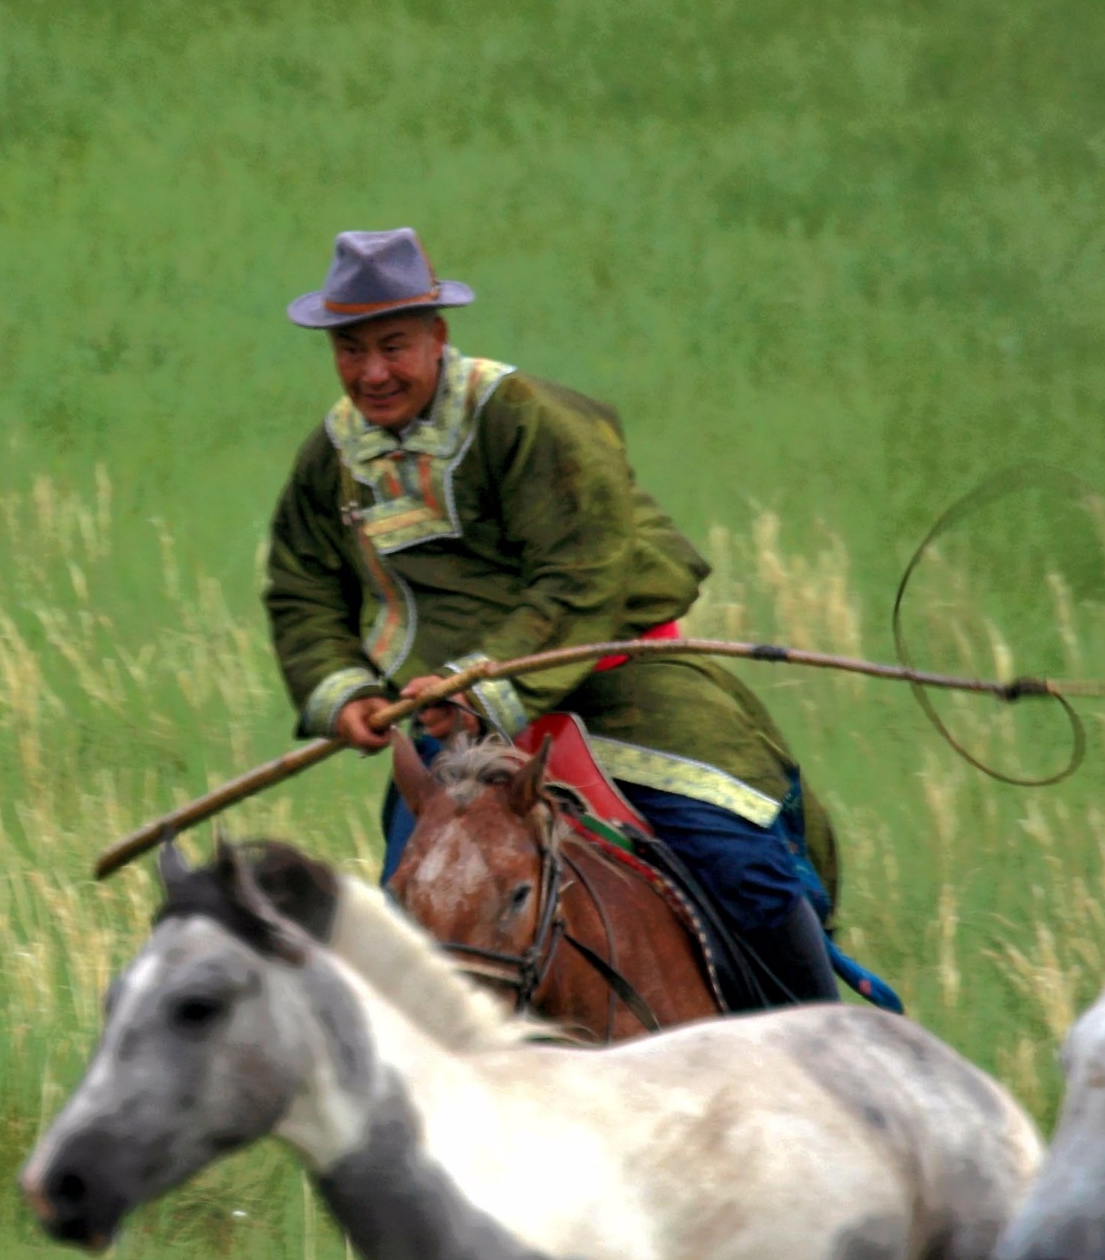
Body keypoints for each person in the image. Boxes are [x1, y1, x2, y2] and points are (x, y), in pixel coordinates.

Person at [261, 227, 872, 1010]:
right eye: (351, 350)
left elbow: (581, 578)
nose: (373, 372)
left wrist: (478, 686)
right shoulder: (331, 455)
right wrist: (342, 692)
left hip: (618, 686)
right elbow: (301, 585)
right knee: (409, 903)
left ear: (437, 336)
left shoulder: (529, 418)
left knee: (744, 867)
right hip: (450, 727)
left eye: (394, 345)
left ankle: (819, 1059)